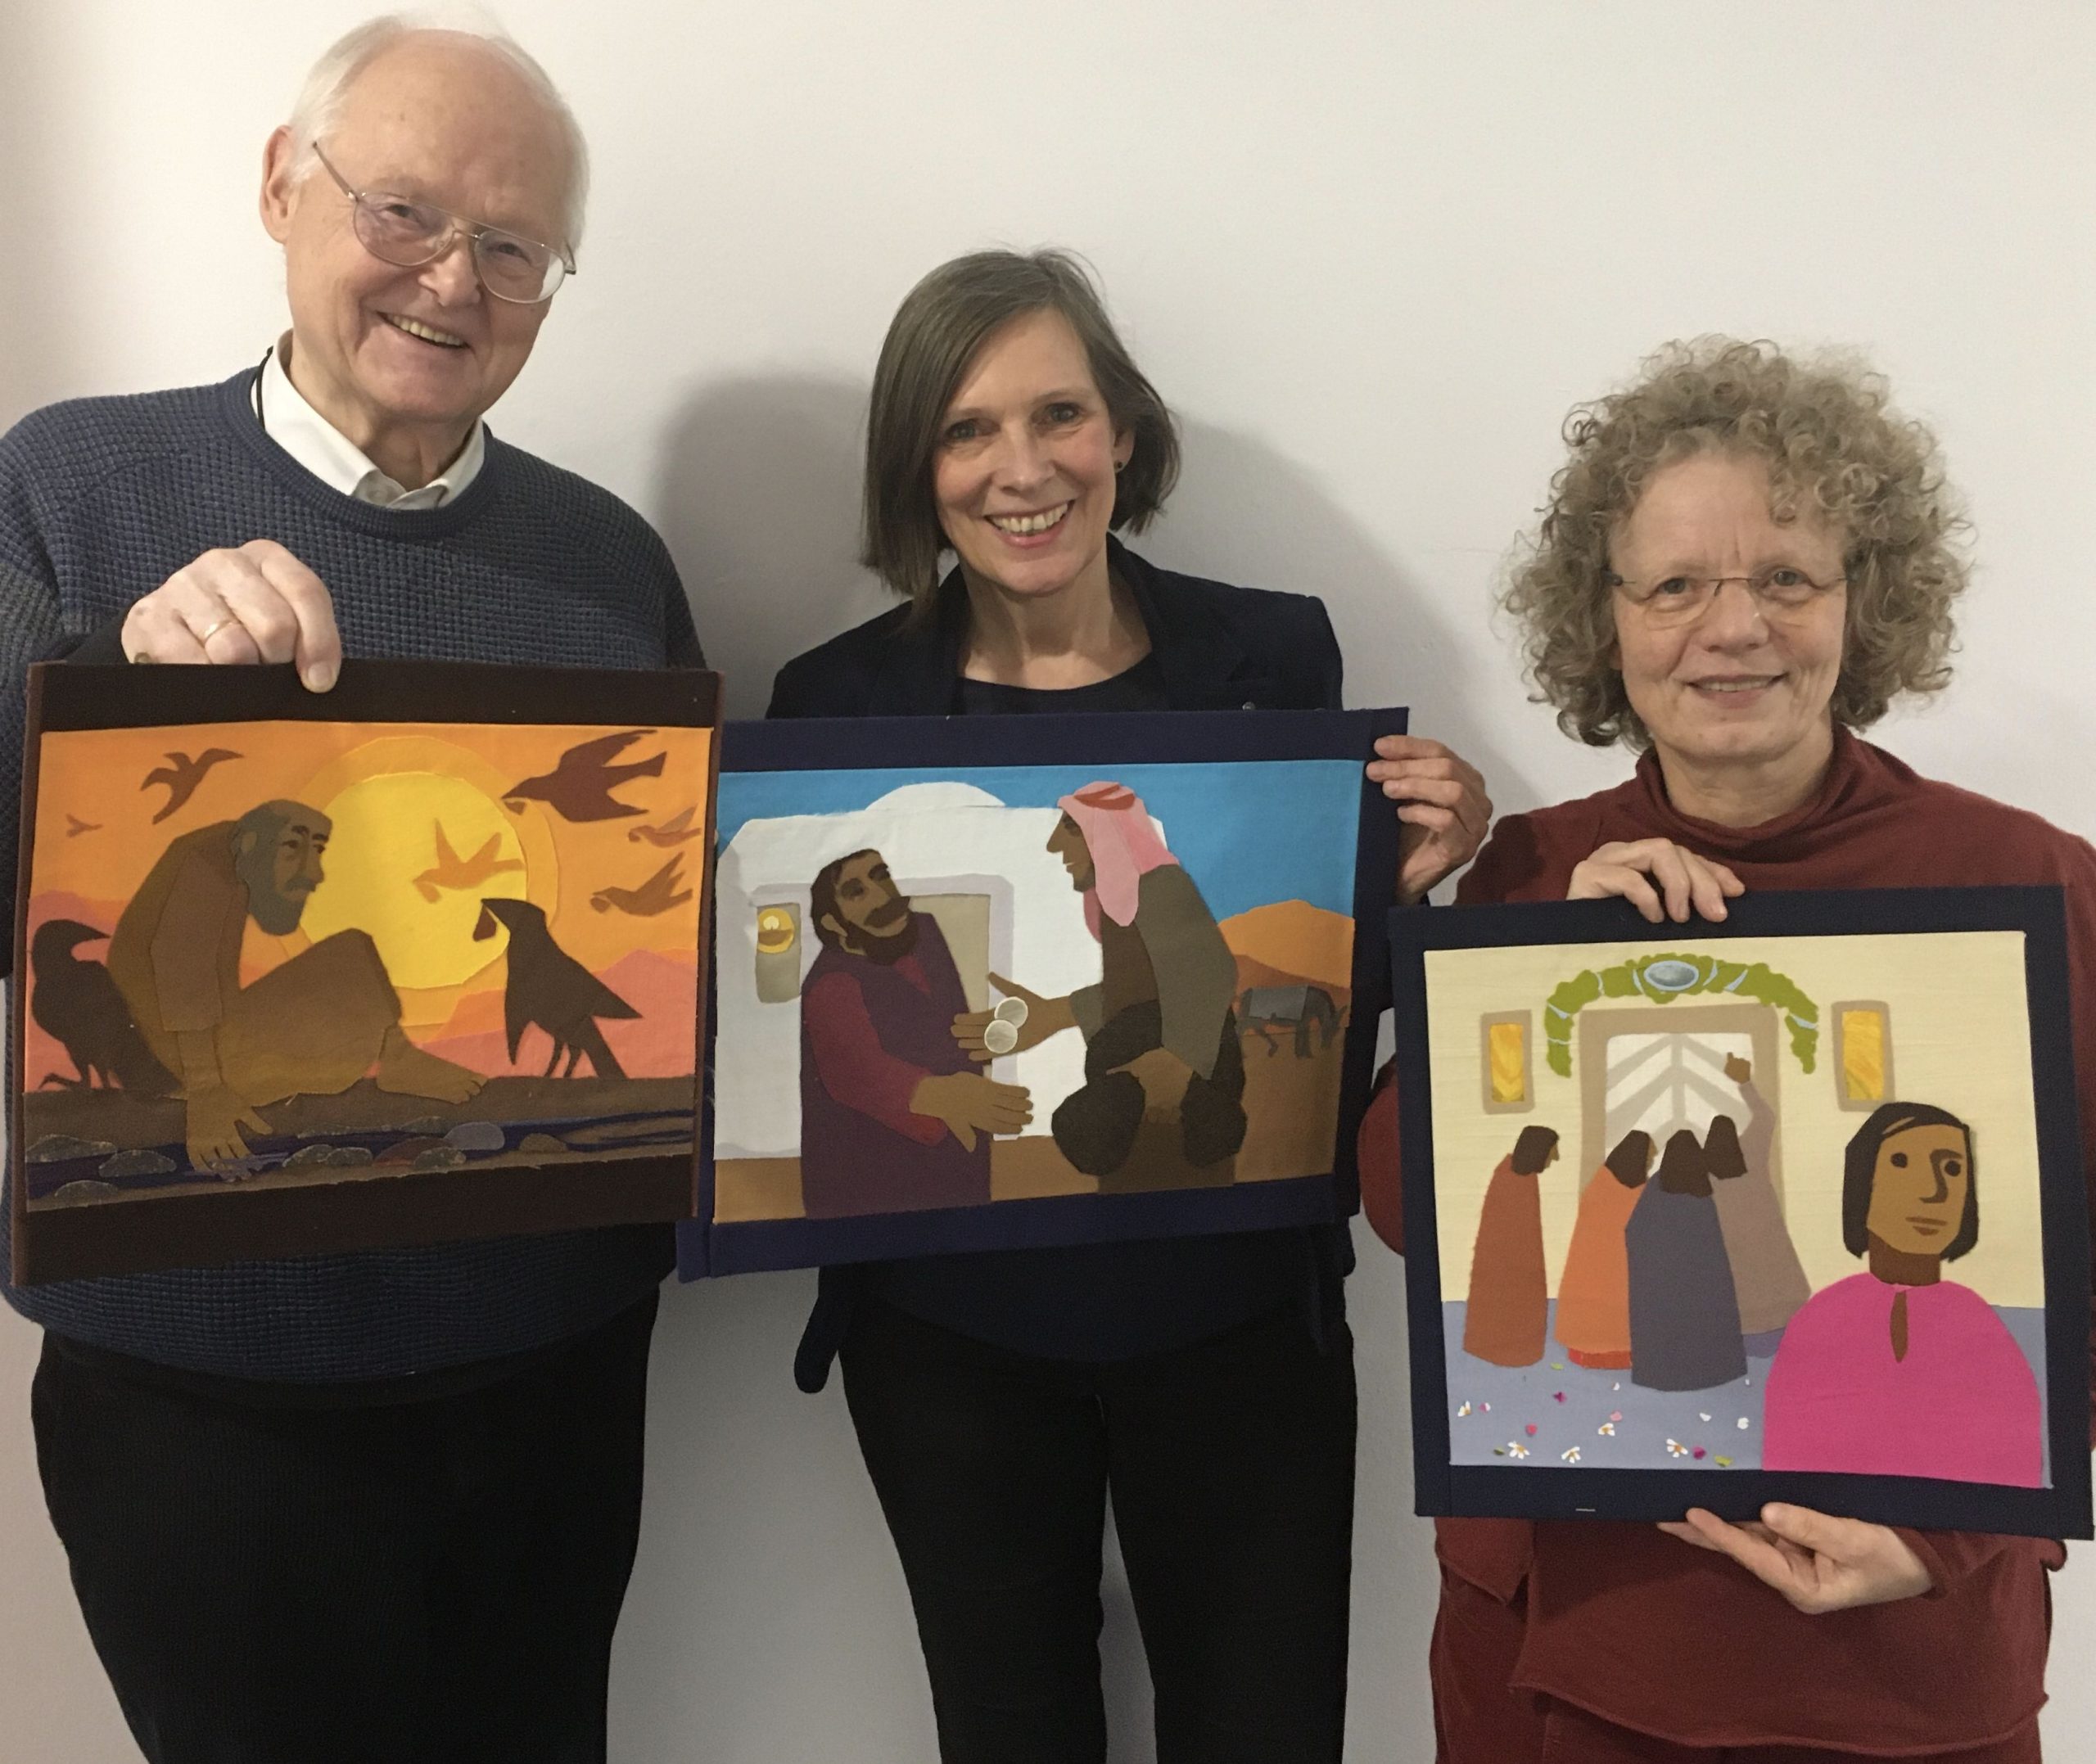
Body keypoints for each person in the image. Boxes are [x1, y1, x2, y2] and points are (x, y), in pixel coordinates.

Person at [0, 19, 702, 1762]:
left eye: (513, 247)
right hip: (194, 1401)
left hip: (548, 1377)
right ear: (279, 189)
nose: (453, 279)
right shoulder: (66, 484)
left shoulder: (610, 561)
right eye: (404, 209)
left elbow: (672, 932)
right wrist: (111, 682)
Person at [768, 248, 1491, 1762]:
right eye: (967, 429)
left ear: (1125, 430)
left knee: (1263, 1725)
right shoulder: (834, 701)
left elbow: (1302, 948)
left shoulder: (1274, 655)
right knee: (1006, 1725)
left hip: (1239, 1319)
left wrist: (1423, 860)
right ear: (916, 465)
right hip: (947, 1329)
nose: (1023, 468)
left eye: (1060, 414)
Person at [1357, 337, 2096, 1761]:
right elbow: (1402, 1205)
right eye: (1677, 585)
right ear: (1608, 618)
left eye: (1789, 578)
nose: (1735, 626)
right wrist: (1538, 966)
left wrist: (1949, 1537)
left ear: (1865, 600)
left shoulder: (2027, 883)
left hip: (1904, 1666)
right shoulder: (1534, 873)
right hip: (1576, 1648)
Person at [955, 783, 1247, 1190]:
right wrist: (1056, 1014)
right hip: (1146, 1093)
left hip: (1172, 1097)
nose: (1055, 845)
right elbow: (1149, 990)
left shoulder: (1160, 886)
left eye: (1071, 828)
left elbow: (1213, 972)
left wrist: (1179, 1065)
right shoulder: (1127, 902)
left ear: (1108, 833)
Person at [1763, 1103, 2043, 1487]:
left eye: (1952, 1168)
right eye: (1901, 1162)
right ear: (1863, 1180)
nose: (1935, 1191)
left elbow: (2016, 1474)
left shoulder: (1982, 1329)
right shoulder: (1820, 1321)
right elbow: (1785, 1463)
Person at [799, 846, 1027, 1216]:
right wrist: (941, 1093)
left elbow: (941, 1021)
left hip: (960, 1162)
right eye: (856, 892)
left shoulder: (924, 932)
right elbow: (856, 1072)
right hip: (871, 1184)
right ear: (834, 924)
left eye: (881, 876)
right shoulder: (831, 983)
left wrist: (983, 1038)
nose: (882, 895)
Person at [1624, 1130, 1746, 1392]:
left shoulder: (1655, 1189)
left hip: (1662, 1284)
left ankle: (1662, 1375)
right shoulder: (1702, 1191)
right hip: (1701, 1282)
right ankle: (1713, 1372)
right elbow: (1716, 1240)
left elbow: (1634, 1231)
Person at [1705, 1059, 1811, 1354]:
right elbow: (1766, 1117)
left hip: (1732, 1250)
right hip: (1767, 1239)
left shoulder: (1704, 1173)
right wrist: (1745, 1083)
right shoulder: (1750, 1151)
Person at [1552, 1129, 1652, 1368]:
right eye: (1648, 1159)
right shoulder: (1639, 1196)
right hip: (1616, 1278)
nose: (1649, 1164)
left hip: (1595, 1278)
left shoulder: (1599, 1187)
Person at [1460, 1125, 1557, 1367]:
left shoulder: (1521, 1177)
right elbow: (1508, 1235)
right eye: (1551, 1151)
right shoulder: (1512, 1180)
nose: (1555, 1158)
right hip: (1508, 1270)